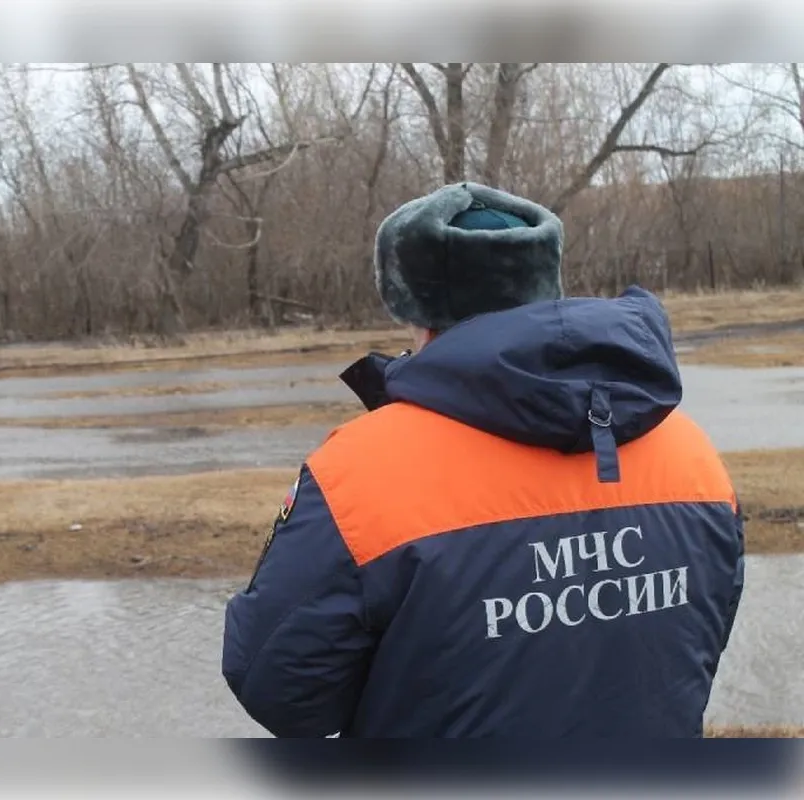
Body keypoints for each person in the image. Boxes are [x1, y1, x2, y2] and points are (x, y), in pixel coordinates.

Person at [221, 182, 745, 738]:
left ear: (417, 314)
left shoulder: (359, 473)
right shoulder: (691, 451)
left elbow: (277, 689)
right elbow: (699, 646)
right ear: (548, 287)